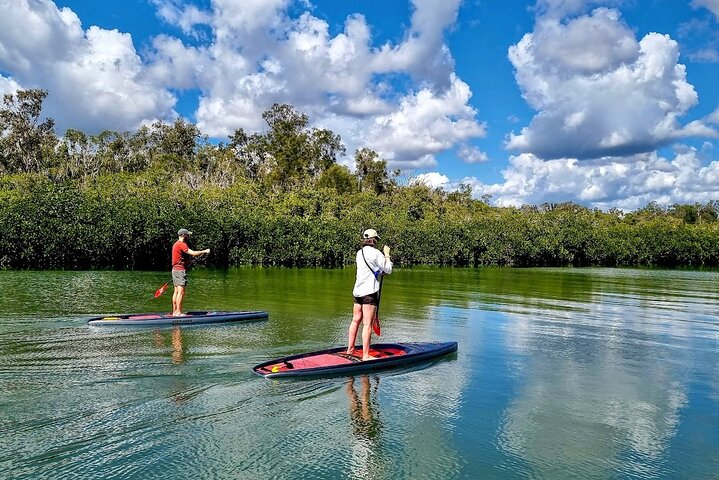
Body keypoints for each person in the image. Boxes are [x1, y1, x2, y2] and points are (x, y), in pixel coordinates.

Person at [347, 228, 392, 361]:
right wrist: (387, 255)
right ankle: (366, 355)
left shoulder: (359, 253)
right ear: (374, 240)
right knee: (367, 324)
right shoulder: (377, 253)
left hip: (357, 292)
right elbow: (388, 269)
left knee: (355, 320)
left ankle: (350, 349)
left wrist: (378, 272)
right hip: (369, 292)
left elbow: (370, 269)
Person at [171, 228, 210, 316]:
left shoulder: (175, 244)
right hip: (180, 270)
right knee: (181, 292)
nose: (188, 236)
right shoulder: (181, 244)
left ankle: (174, 312)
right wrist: (204, 251)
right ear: (184, 235)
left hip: (175, 270)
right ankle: (178, 313)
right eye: (187, 235)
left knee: (176, 291)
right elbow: (192, 253)